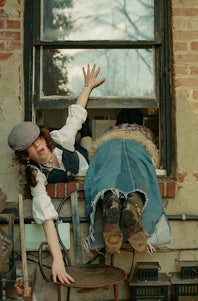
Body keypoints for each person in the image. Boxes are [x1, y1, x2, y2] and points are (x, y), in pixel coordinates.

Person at [7, 64, 105, 284]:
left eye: (37, 140)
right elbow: (46, 216)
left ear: (43, 136)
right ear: (26, 156)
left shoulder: (59, 139)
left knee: (88, 139)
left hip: (87, 159)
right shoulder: (35, 174)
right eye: (30, 147)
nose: (38, 146)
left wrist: (88, 86)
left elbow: (76, 115)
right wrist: (57, 259)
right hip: (79, 175)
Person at [84, 108, 172, 254]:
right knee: (139, 176)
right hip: (137, 148)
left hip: (107, 149)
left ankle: (110, 200)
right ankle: (132, 202)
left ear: (118, 121)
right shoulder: (145, 132)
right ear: (140, 121)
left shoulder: (110, 131)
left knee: (108, 175)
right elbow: (154, 156)